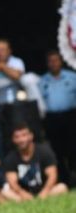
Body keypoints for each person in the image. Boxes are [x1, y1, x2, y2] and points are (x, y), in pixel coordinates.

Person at [1, 122, 68, 201]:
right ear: (13, 139)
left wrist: (44, 193)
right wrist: (24, 194)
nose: (21, 140)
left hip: (45, 190)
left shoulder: (44, 152)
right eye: (17, 137)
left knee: (62, 187)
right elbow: (12, 182)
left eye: (24, 135)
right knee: (5, 192)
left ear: (31, 136)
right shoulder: (10, 158)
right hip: (23, 194)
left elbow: (52, 175)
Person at [39, 51, 76, 186]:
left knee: (73, 148)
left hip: (71, 117)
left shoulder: (72, 77)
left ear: (61, 61)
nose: (53, 63)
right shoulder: (42, 81)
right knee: (57, 150)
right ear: (47, 63)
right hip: (52, 119)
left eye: (56, 60)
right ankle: (64, 181)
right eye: (50, 61)